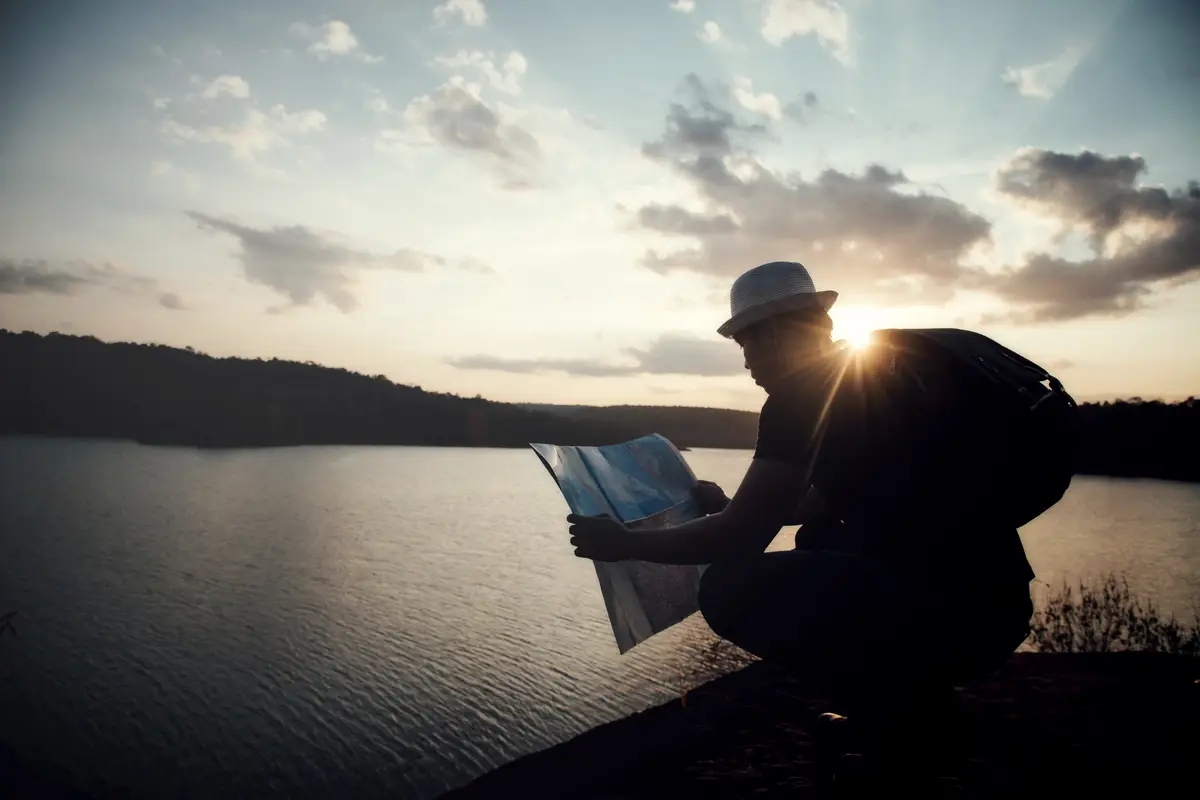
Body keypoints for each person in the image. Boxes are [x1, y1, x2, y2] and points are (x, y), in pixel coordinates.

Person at [566, 261, 1036, 733]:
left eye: (746, 342)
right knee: (820, 538)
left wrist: (625, 542)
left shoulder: (802, 397)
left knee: (729, 589)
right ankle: (916, 707)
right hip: (998, 611)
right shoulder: (876, 381)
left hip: (946, 620)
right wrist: (731, 504)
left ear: (772, 335)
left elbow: (738, 539)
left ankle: (898, 718)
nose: (746, 360)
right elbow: (810, 506)